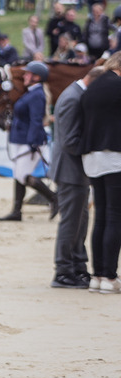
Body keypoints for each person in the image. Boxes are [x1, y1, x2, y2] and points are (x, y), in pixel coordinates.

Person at [50, 66, 106, 288]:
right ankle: (63, 270)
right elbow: (70, 141)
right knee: (71, 223)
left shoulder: (76, 94)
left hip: (75, 171)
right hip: (70, 171)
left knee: (80, 222)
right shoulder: (73, 98)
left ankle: (77, 266)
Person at [76, 53, 121, 293]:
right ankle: (110, 276)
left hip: (91, 156)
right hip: (114, 154)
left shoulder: (92, 87)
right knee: (115, 217)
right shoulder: (118, 86)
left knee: (101, 216)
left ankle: (97, 276)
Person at [0, 61, 58, 221]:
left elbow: (36, 120)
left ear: (37, 77)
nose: (25, 76)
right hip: (22, 138)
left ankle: (54, 198)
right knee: (18, 174)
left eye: (28, 73)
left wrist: (33, 141)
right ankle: (16, 211)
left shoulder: (37, 94)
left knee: (23, 175)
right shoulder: (31, 92)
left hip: (30, 140)